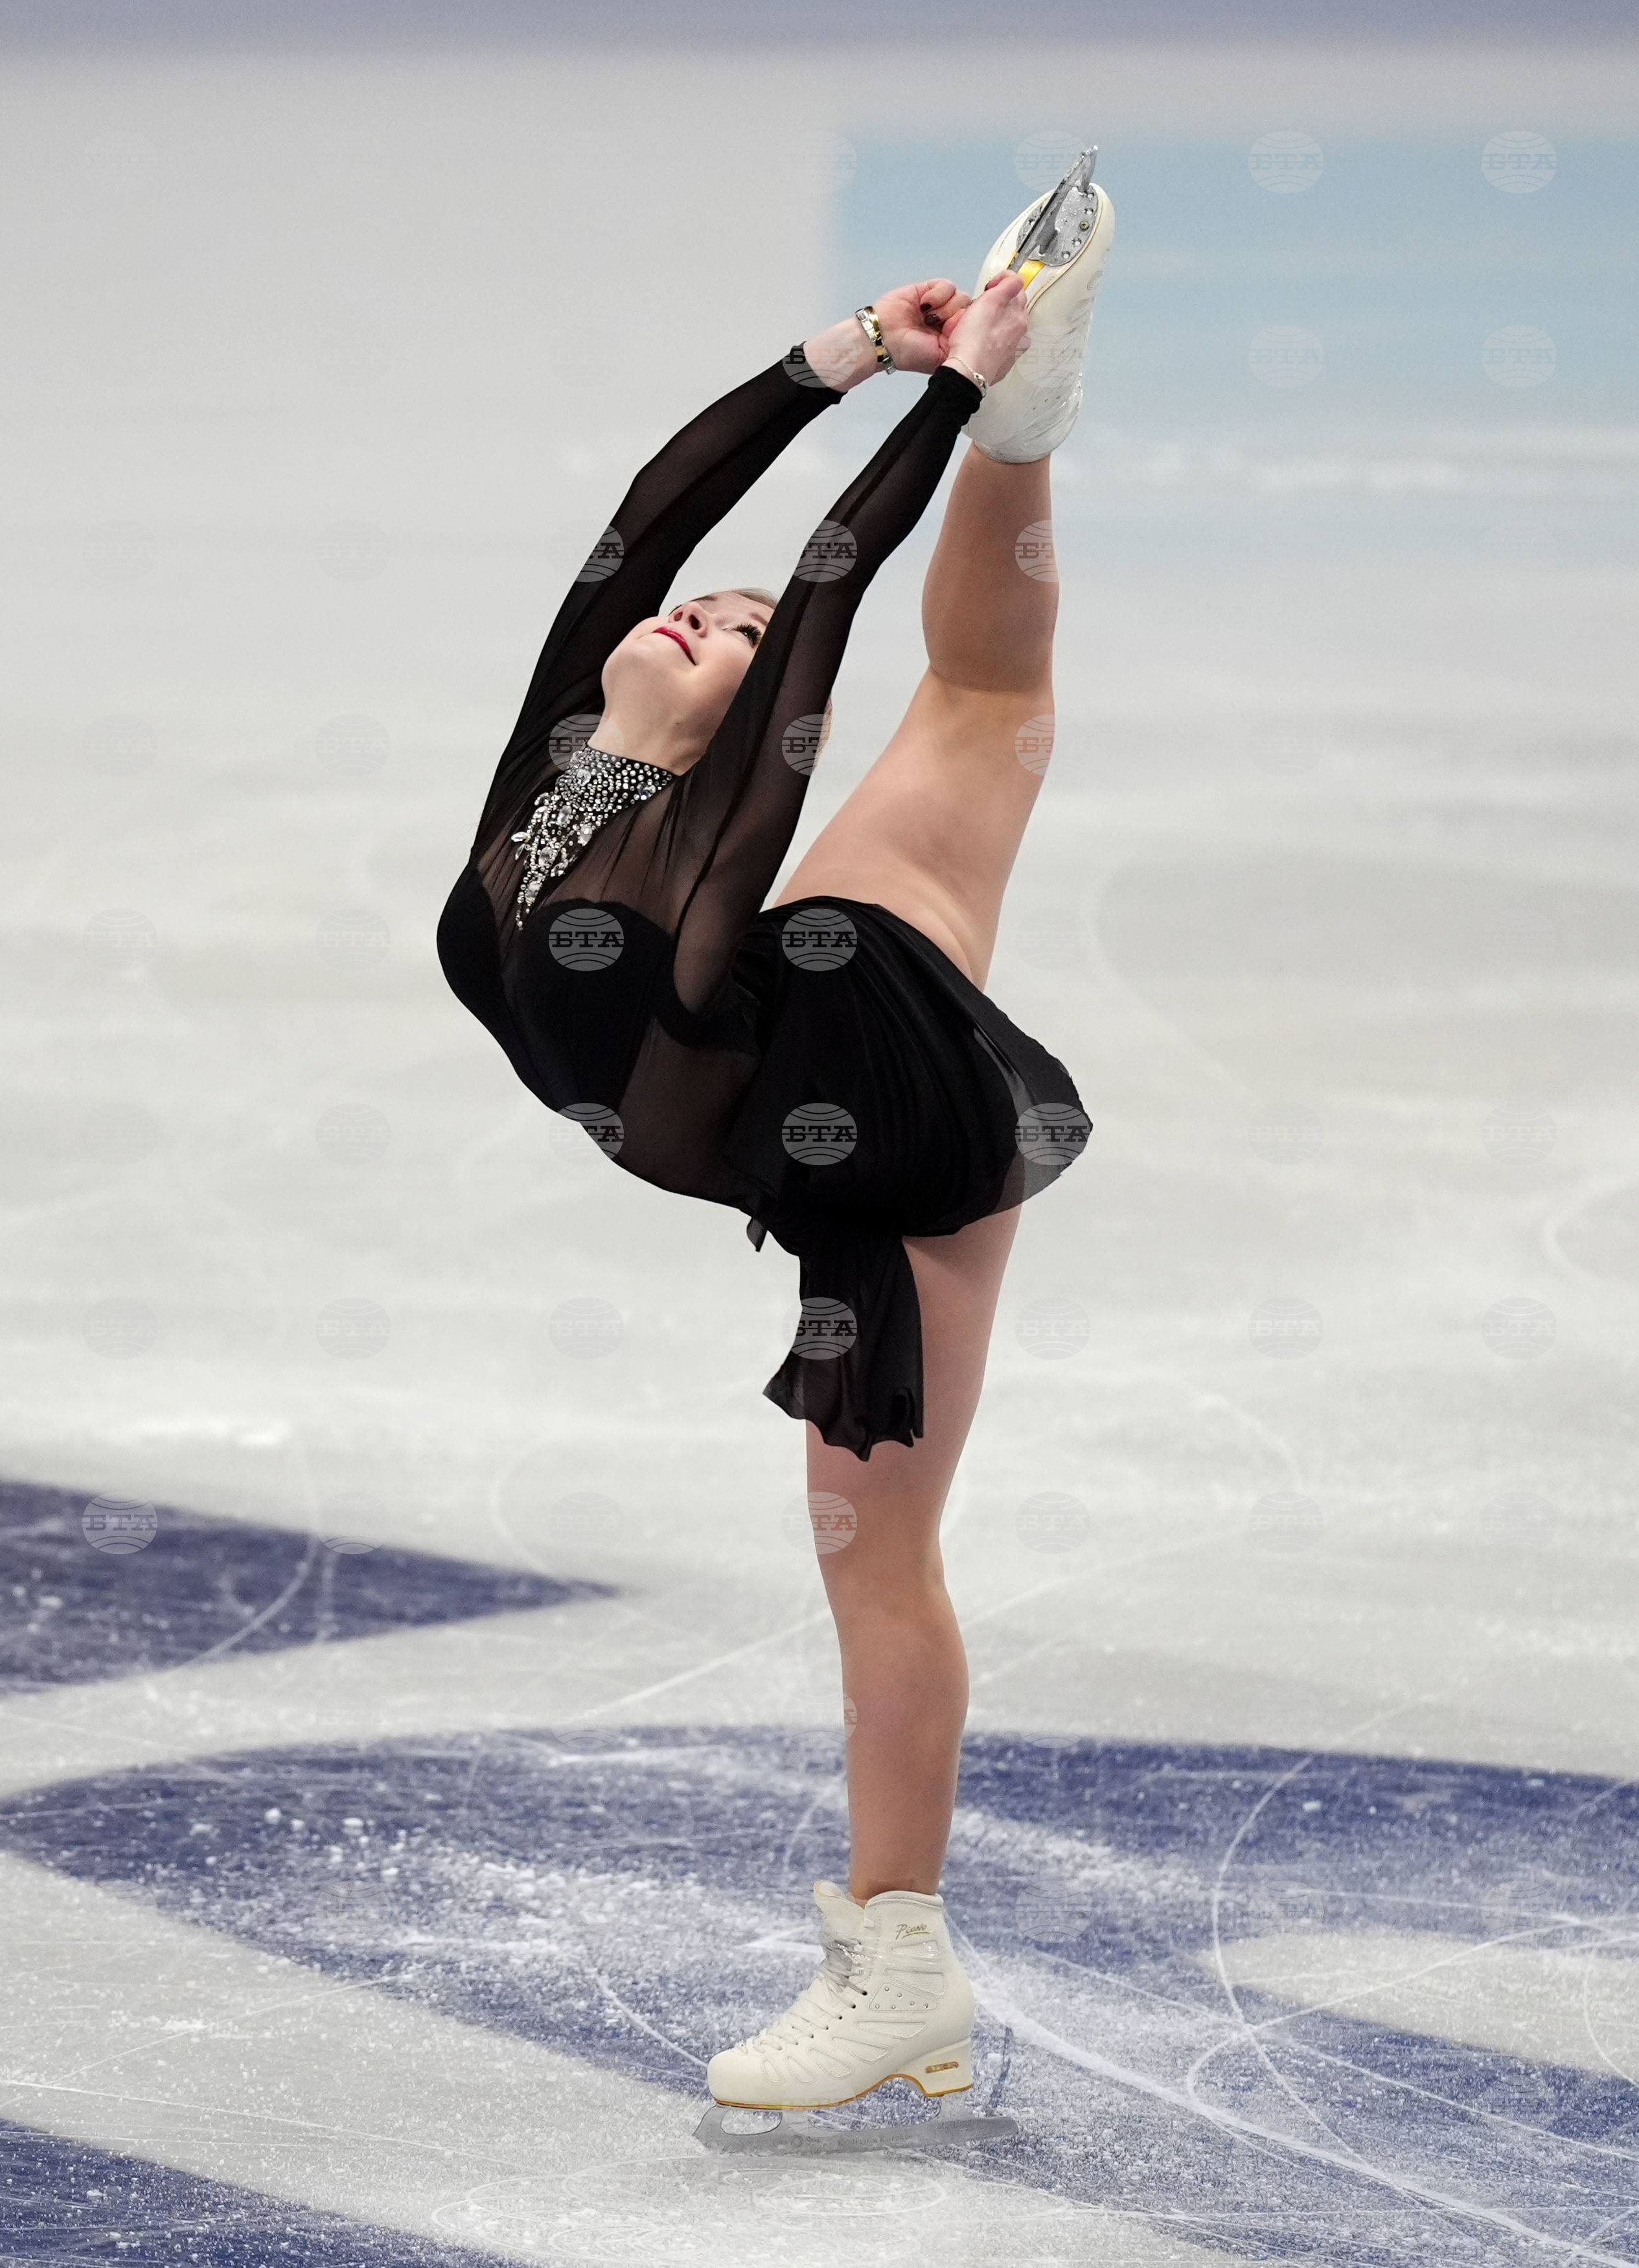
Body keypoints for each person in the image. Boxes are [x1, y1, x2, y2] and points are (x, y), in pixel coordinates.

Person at [435, 153, 1114, 2146]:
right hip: (770, 1078)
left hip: (866, 1090)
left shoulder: (703, 855)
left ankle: (895, 1964)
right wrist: (837, 356)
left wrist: (952, 410)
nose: (700, 611)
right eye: (696, 618)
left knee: (867, 1552)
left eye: (724, 636)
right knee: (991, 694)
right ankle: (1033, 418)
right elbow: (653, 519)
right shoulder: (565, 772)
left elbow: (817, 605)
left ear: (739, 714)